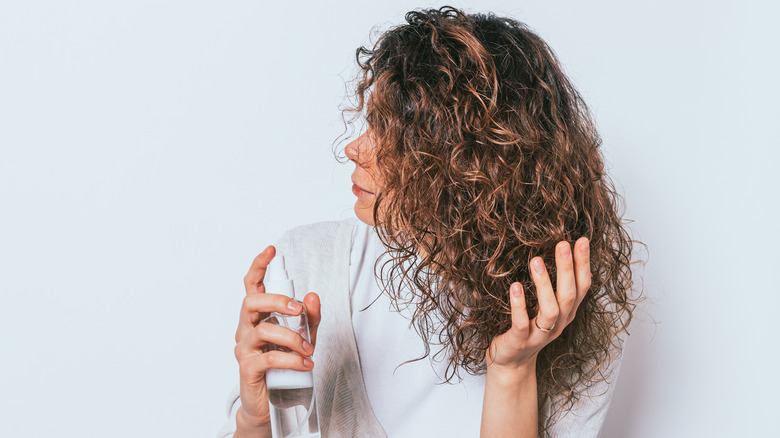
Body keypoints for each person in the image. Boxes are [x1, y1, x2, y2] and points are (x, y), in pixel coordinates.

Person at [219, 5, 638, 438]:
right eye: (370, 122)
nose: (355, 148)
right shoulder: (304, 267)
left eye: (391, 133)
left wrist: (512, 372)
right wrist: (255, 419)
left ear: (468, 163)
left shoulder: (565, 309)